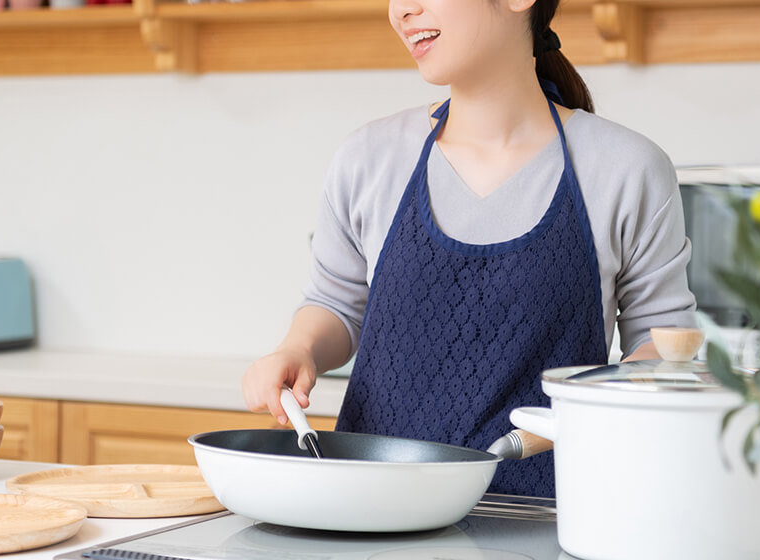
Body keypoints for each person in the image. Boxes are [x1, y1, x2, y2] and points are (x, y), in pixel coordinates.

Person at [242, 0, 697, 497]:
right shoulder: (368, 158)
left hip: (547, 520)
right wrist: (298, 347)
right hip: (367, 509)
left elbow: (663, 345)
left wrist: (605, 398)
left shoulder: (625, 168)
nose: (401, 11)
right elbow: (335, 304)